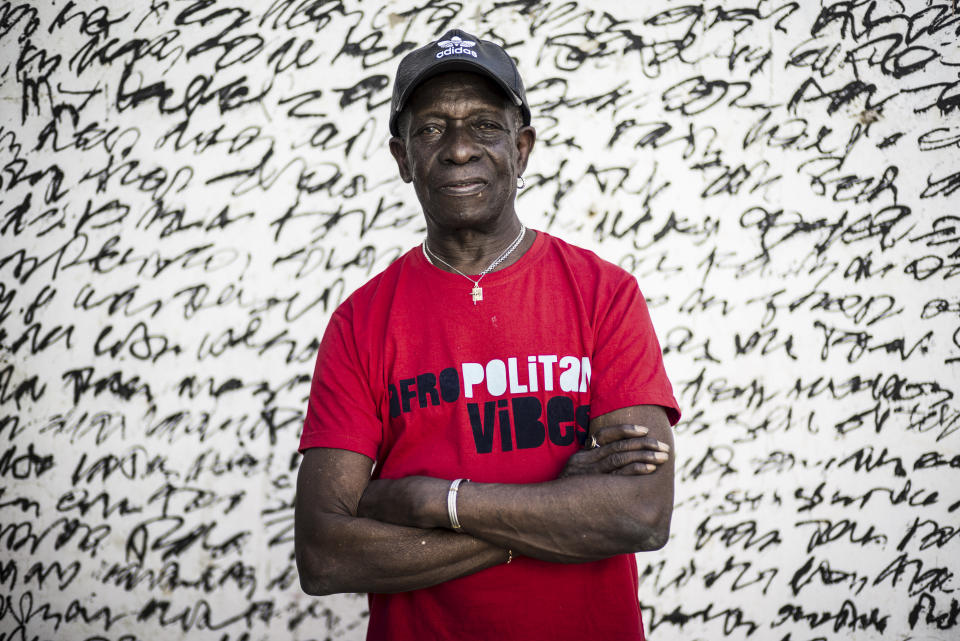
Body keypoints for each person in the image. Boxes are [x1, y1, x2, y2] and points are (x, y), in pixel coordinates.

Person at [295, 28, 681, 641]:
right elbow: (324, 553)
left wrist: (432, 500)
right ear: (402, 158)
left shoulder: (604, 294)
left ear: (521, 149)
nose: (457, 150)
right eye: (430, 129)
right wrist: (554, 511)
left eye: (484, 126)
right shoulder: (359, 322)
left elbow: (640, 514)